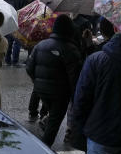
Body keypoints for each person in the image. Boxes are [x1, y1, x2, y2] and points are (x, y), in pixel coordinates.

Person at [25, 14, 82, 146]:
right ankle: (45, 151)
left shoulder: (41, 45)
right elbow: (75, 77)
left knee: (53, 116)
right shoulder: (70, 49)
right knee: (55, 121)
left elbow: (29, 68)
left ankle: (45, 124)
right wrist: (75, 98)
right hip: (60, 93)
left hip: (41, 90)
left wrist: (37, 81)